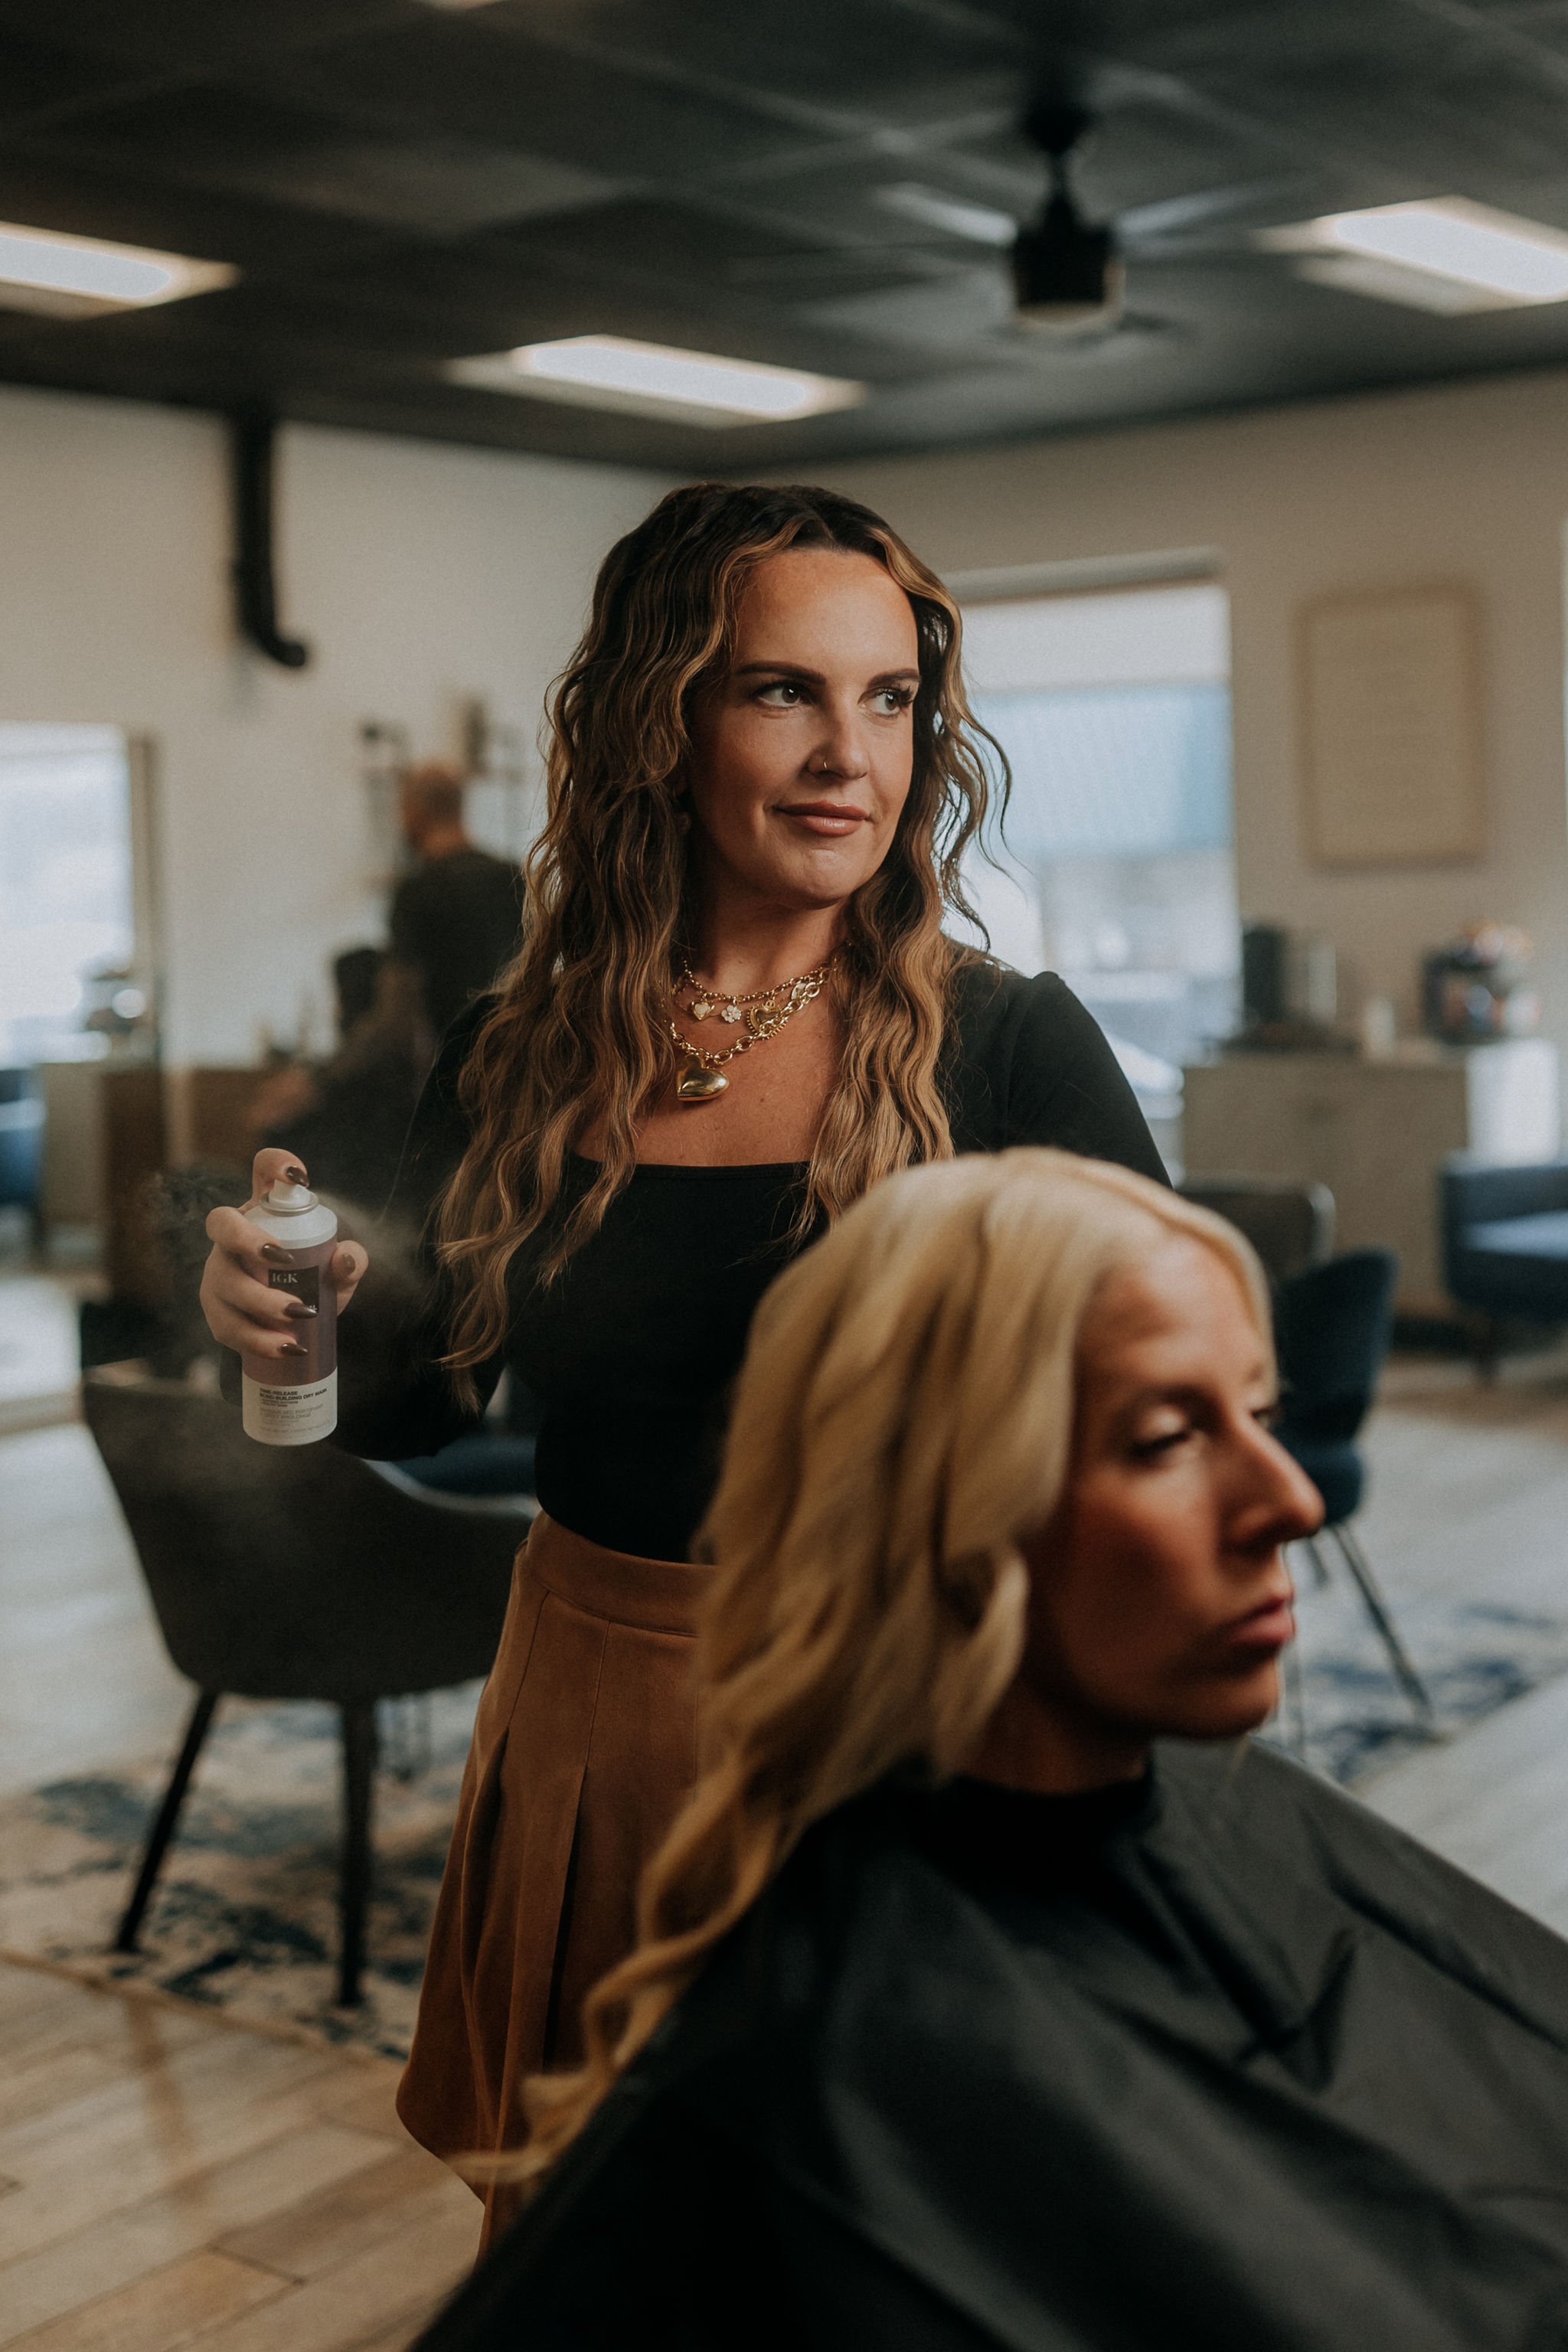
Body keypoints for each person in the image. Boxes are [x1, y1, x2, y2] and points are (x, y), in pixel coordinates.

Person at [197, 483, 1168, 2243]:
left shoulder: (1009, 1045)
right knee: (595, 2247)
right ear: (662, 717)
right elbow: (419, 1400)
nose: (849, 755)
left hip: (900, 1714)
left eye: (889, 698)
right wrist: (297, 1326)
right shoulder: (514, 1051)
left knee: (880, 2247)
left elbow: (1171, 1413)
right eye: (783, 690)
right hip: (597, 1705)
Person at [413, 1150, 1568, 2352]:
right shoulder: (813, 2087)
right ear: (945, 1510)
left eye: (1263, 1417)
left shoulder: (1236, 1815)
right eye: (1168, 1439)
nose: (1292, 1500)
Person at [390, 760, 524, 1054]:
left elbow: (398, 1015)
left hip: (454, 1062)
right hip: (519, 1054)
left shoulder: (416, 892)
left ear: (414, 814)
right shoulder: (513, 877)